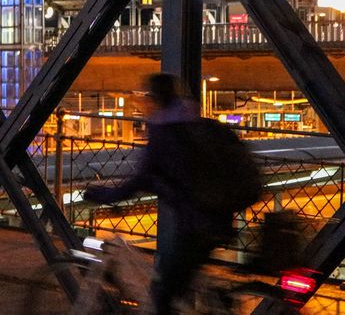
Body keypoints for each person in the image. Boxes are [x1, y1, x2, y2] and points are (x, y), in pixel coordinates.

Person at [83, 73, 234, 315]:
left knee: (162, 296)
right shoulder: (191, 122)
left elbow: (140, 178)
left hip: (197, 224)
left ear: (154, 99)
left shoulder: (164, 131)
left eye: (145, 96)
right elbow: (176, 174)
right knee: (176, 283)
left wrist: (103, 195)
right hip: (216, 214)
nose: (142, 103)